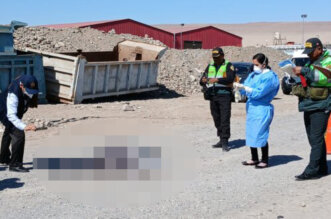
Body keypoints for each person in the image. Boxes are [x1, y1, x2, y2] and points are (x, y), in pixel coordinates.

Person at [292, 38, 331, 180]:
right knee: (314, 138)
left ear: (319, 49)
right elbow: (308, 79)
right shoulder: (311, 61)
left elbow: (324, 78)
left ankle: (312, 170)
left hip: (321, 104)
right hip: (309, 103)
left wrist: (303, 70)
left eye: (311, 52)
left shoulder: (328, 61)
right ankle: (321, 167)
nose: (308, 55)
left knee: (316, 138)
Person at [234, 53, 279, 168]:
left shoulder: (270, 77)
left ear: (264, 64)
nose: (254, 67)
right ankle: (254, 158)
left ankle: (264, 159)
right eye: (253, 64)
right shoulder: (253, 74)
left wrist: (247, 89)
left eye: (256, 64)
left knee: (261, 133)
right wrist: (241, 88)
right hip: (252, 107)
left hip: (262, 108)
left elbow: (259, 93)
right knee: (252, 132)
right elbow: (246, 86)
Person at [0, 75, 39, 172]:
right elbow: (11, 116)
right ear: (21, 86)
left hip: (15, 109)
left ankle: (3, 157)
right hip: (3, 109)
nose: (30, 94)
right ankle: (15, 164)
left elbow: (31, 93)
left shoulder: (31, 82)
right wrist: (24, 126)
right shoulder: (13, 93)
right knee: (19, 134)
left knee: (9, 130)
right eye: (28, 91)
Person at [200, 47, 235, 151]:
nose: (215, 59)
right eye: (214, 57)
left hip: (224, 95)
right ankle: (220, 138)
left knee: (224, 118)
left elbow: (230, 78)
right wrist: (203, 80)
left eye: (217, 57)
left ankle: (225, 141)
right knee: (216, 118)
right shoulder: (210, 66)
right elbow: (201, 80)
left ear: (222, 56)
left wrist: (217, 80)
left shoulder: (228, 65)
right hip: (213, 95)